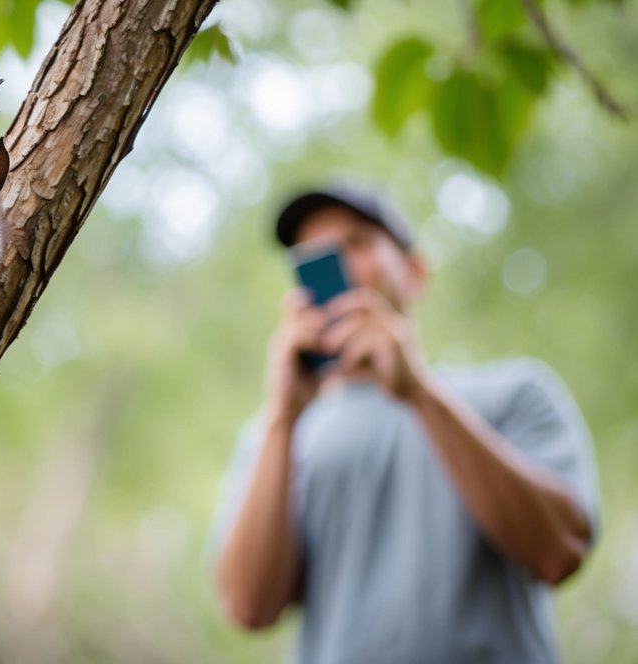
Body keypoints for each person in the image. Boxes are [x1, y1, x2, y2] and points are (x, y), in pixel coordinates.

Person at [212, 181, 599, 664]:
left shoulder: (514, 393)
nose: (339, 268)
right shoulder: (275, 437)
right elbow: (249, 608)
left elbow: (558, 553)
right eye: (312, 257)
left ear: (415, 273)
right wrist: (283, 417)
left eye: (356, 244)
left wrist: (418, 393)